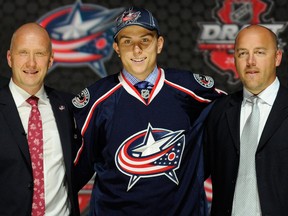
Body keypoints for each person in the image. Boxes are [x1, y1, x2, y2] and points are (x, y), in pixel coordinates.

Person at [72, 7, 224, 215]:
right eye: (127, 41)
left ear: (159, 44)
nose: (137, 49)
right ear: (116, 47)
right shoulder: (96, 101)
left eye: (145, 40)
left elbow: (232, 120)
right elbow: (71, 174)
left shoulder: (191, 90)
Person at [204, 24, 286, 215]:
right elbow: (195, 173)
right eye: (242, 53)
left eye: (259, 52)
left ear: (277, 57)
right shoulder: (218, 111)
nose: (250, 61)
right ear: (234, 59)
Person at [0, 22, 80, 215]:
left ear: (51, 59)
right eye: (23, 53)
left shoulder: (69, 106)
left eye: (40, 54)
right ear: (10, 58)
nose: (31, 63)